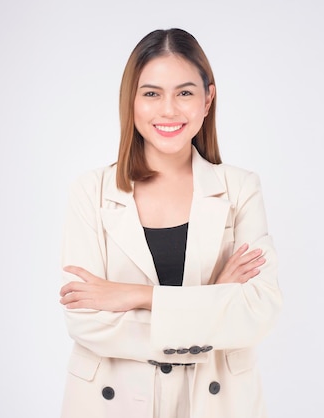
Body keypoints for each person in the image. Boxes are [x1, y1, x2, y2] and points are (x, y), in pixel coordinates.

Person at [58, 28, 282, 418]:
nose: (168, 110)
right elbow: (87, 321)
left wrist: (137, 296)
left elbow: (257, 313)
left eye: (184, 92)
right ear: (131, 100)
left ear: (207, 99)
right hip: (115, 403)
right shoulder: (90, 191)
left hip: (218, 402)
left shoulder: (241, 188)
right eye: (151, 93)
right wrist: (214, 297)